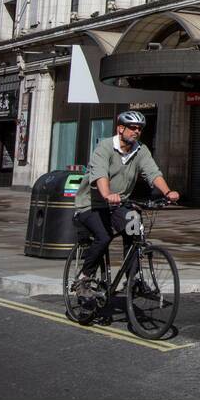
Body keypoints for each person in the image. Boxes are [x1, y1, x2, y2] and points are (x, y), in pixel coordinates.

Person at [72, 110, 179, 290]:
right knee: (103, 237)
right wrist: (107, 194)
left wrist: (168, 192)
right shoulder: (105, 147)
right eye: (132, 128)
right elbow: (100, 174)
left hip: (117, 204)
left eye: (139, 128)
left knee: (134, 228)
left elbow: (153, 173)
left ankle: (132, 278)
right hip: (91, 205)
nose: (136, 131)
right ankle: (84, 276)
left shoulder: (140, 150)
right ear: (120, 128)